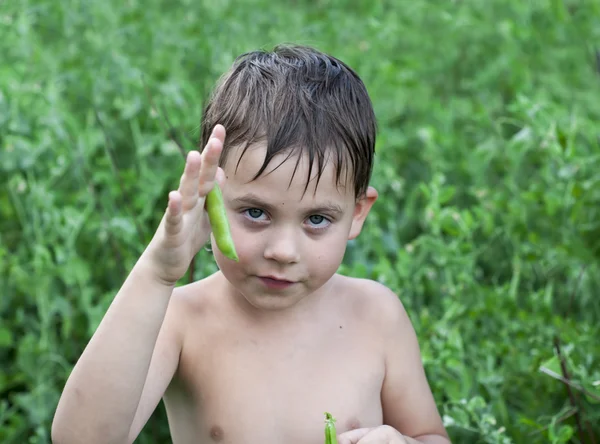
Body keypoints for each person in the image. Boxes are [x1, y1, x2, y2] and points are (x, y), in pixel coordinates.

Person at [52, 44, 451, 444]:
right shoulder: (183, 321)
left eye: (316, 220)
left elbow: (430, 434)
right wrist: (157, 275)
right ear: (211, 197)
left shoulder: (377, 316)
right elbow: (81, 438)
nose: (283, 250)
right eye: (255, 213)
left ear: (358, 213)